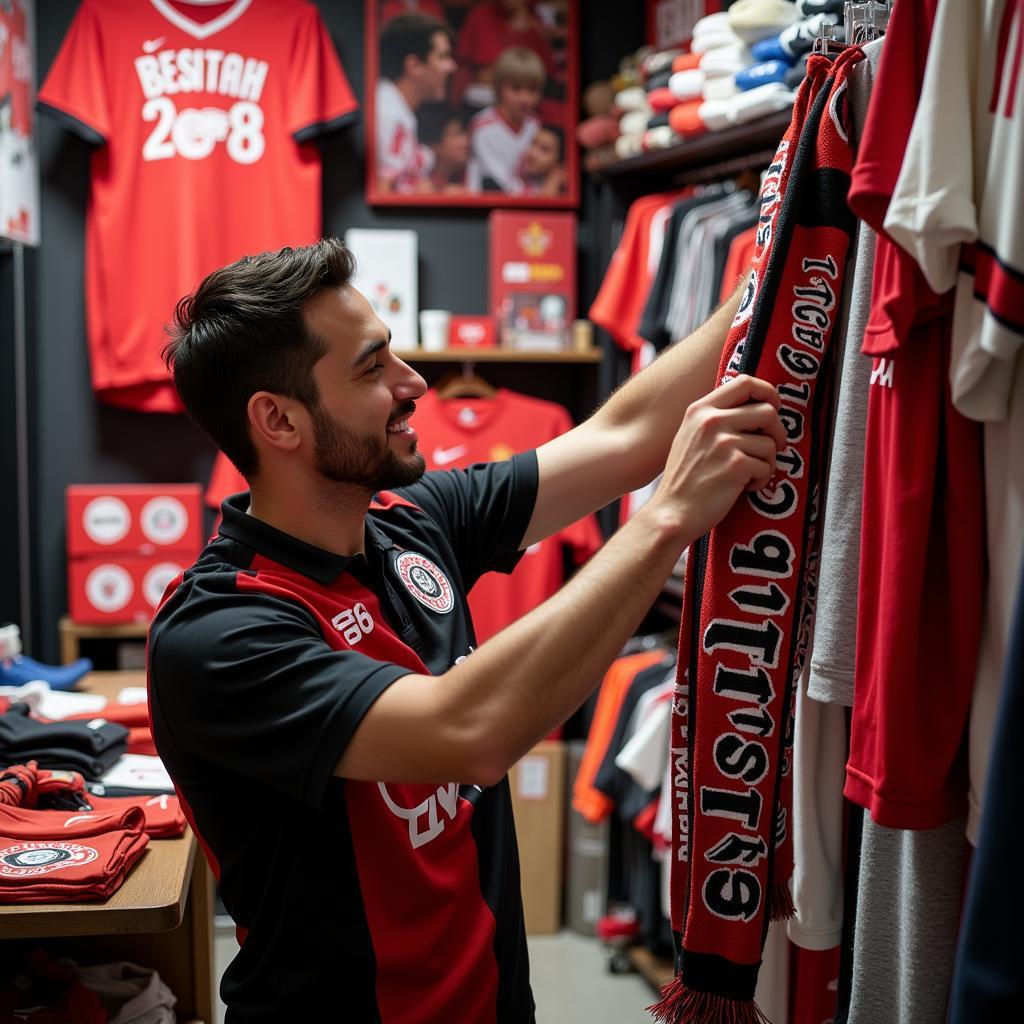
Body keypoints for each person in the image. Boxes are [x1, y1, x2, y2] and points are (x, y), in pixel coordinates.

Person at [152, 237, 784, 1022]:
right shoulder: (219, 633)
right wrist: (668, 520)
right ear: (278, 419)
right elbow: (469, 729)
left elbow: (623, 436)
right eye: (371, 367)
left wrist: (780, 252)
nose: (413, 383)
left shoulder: (409, 522)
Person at [375, 11, 456, 194]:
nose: (452, 67)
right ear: (414, 66)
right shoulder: (387, 113)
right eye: (443, 57)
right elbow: (381, 194)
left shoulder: (397, 108)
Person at [468, 45, 543, 194]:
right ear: (499, 87)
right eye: (516, 88)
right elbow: (501, 182)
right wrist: (540, 194)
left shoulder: (535, 124)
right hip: (486, 206)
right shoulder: (483, 127)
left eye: (532, 90)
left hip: (527, 204)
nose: (525, 99)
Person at [416, 101, 473, 192]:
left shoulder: (469, 174)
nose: (465, 141)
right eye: (455, 134)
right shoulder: (417, 182)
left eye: (462, 132)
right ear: (434, 146)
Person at [521, 122, 565, 196]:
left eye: (544, 149)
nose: (532, 152)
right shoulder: (517, 180)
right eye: (533, 143)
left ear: (559, 162)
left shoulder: (561, 190)